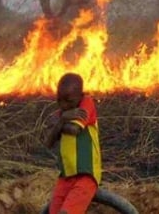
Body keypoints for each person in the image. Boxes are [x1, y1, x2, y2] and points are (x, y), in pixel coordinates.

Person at [43, 73, 102, 214]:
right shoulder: (64, 113)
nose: (63, 105)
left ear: (80, 96)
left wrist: (58, 123)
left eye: (68, 101)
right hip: (65, 177)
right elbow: (48, 142)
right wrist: (62, 120)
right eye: (59, 100)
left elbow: (74, 129)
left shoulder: (86, 103)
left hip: (86, 175)